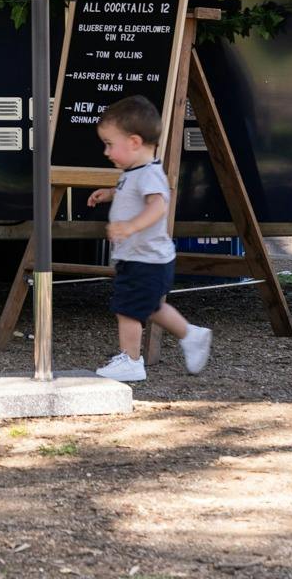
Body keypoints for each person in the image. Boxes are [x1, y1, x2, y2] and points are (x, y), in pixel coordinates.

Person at [88, 95, 213, 384]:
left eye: (109, 144)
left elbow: (159, 206)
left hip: (145, 258)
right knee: (149, 306)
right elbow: (133, 196)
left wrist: (131, 226)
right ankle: (192, 335)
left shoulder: (150, 174)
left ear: (133, 142)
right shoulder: (134, 172)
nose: (106, 152)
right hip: (141, 258)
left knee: (127, 308)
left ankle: (131, 361)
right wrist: (110, 194)